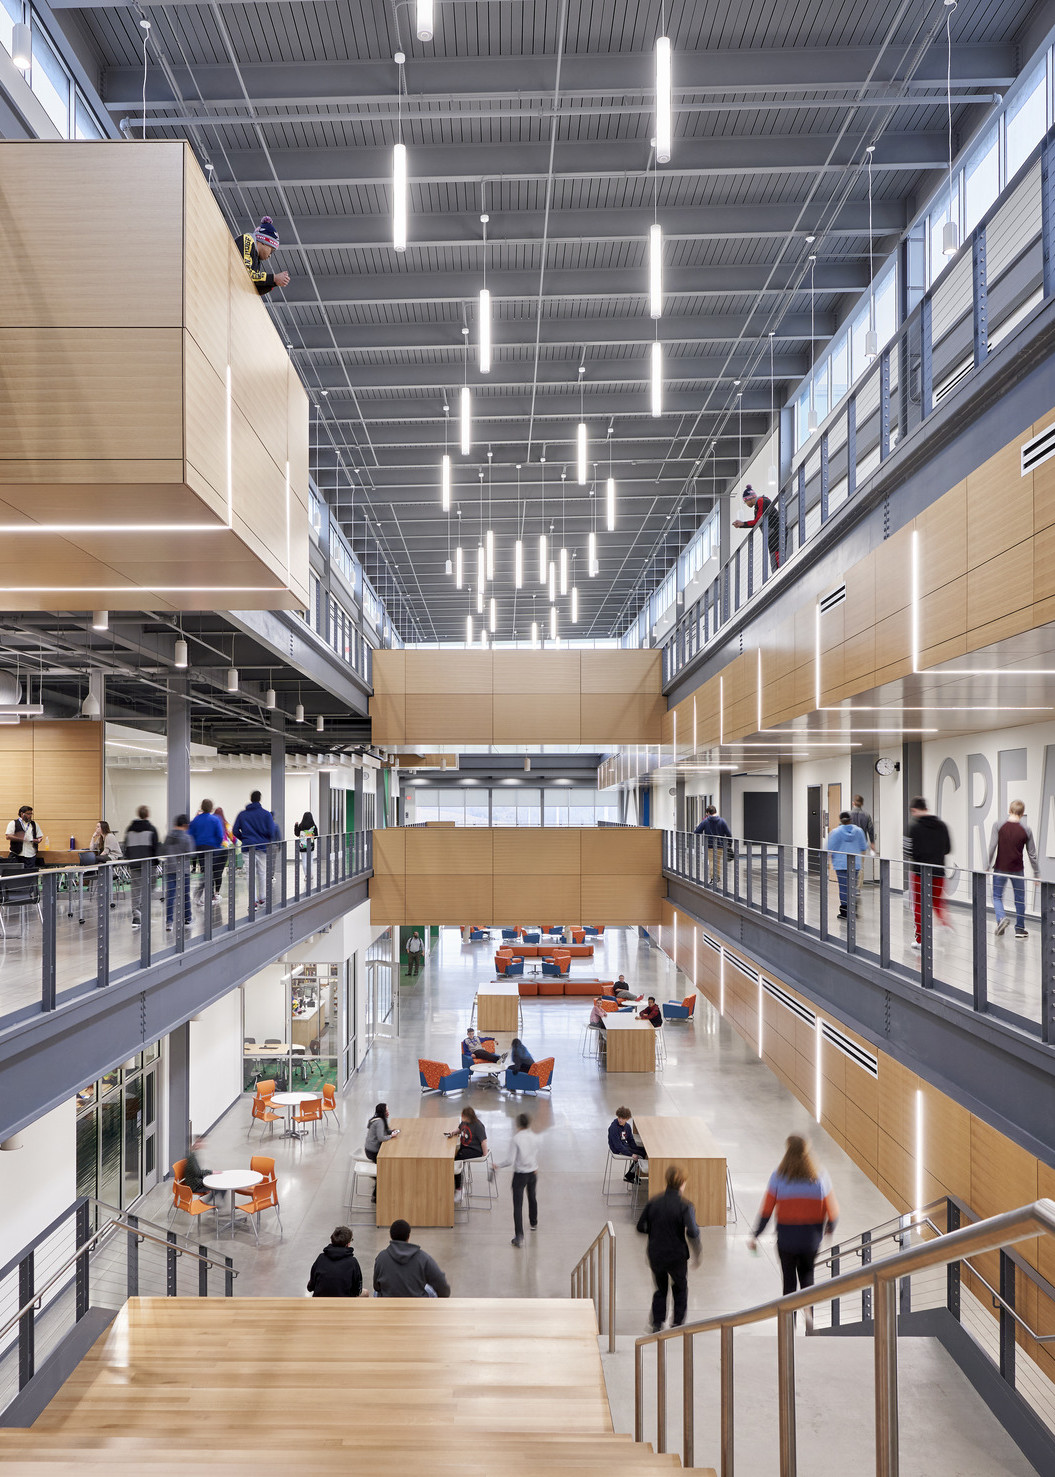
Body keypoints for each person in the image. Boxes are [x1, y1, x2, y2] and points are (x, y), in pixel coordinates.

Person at [748, 1135, 838, 1314]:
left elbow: (766, 1211)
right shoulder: (820, 1177)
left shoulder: (778, 1177)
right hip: (810, 1240)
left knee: (789, 1284)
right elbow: (833, 1211)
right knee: (807, 1277)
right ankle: (809, 1313)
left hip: (787, 1240)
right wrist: (829, 1228)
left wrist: (756, 1234)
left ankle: (789, 1323)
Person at [636, 1166, 702, 1332]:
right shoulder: (685, 1206)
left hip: (656, 1253)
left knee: (660, 1288)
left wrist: (655, 1231)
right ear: (682, 1183)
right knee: (680, 1288)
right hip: (676, 1255)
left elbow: (640, 1226)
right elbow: (693, 1231)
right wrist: (697, 1253)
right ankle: (677, 1324)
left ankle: (657, 1323)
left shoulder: (653, 1202)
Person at [988, 799, 1041, 939]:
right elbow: (1032, 854)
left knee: (997, 896)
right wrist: (1036, 873)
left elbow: (992, 847)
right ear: (1022, 814)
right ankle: (1019, 929)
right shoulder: (1026, 830)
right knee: (1019, 899)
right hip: (1018, 869)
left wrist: (987, 865)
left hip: (1000, 867)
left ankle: (1001, 919)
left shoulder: (998, 825)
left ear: (1009, 811)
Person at [905, 797, 952, 950]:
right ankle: (945, 924)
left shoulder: (913, 827)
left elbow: (907, 851)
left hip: (919, 872)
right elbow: (948, 849)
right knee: (937, 902)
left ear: (914, 810)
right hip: (939, 871)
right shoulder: (942, 825)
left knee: (918, 905)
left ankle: (920, 939)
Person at [372, 1220, 450, 1298]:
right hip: (417, 1305)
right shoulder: (423, 1257)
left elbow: (376, 1286)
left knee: (375, 1293)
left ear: (391, 1236)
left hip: (388, 1304)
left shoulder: (381, 1257)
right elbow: (443, 1287)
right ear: (408, 1236)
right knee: (429, 1289)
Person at [232, 791, 280, 907]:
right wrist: (266, 840)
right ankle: (262, 898)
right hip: (263, 848)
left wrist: (244, 838)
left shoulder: (242, 815)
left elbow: (234, 831)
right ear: (260, 799)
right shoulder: (266, 814)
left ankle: (252, 901)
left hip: (248, 848)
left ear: (251, 799)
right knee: (262, 873)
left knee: (250, 874)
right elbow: (271, 831)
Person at [503, 1112, 539, 1247]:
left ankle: (519, 1236)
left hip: (520, 1175)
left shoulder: (516, 1138)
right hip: (533, 1172)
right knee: (532, 1197)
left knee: (518, 1206)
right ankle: (534, 1222)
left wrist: (498, 1165)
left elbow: (510, 1160)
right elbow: (535, 1154)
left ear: (518, 1124)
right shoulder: (535, 1137)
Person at [826, 812, 869, 919]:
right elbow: (863, 847)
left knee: (843, 888)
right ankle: (854, 911)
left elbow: (828, 849)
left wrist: (828, 861)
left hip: (840, 865)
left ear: (840, 820)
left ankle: (845, 912)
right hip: (855, 864)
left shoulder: (835, 832)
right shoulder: (859, 831)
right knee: (853, 887)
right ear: (851, 819)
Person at [123, 805, 160, 929]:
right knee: (150, 887)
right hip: (149, 865)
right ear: (147, 814)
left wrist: (130, 860)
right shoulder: (152, 829)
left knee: (135, 890)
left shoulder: (130, 829)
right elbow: (156, 848)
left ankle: (136, 916)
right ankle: (143, 911)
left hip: (134, 864)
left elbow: (126, 847)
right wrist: (157, 862)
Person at [732, 484, 781, 573]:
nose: (746, 504)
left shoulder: (761, 501)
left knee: (777, 559)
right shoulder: (761, 503)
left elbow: (758, 521)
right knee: (774, 559)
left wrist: (742, 524)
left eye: (745, 502)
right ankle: (777, 574)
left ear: (748, 499)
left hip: (775, 533)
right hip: (772, 534)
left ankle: (779, 574)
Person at [237, 216, 290, 296]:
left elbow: (255, 288)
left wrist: (275, 282)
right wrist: (274, 278)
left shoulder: (256, 259)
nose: (270, 256)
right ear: (264, 242)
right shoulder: (247, 239)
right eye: (271, 251)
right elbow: (247, 275)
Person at [188, 799, 226, 908]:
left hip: (200, 849)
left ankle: (201, 895)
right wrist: (216, 846)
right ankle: (204, 896)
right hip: (212, 849)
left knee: (205, 871)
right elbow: (220, 835)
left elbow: (190, 834)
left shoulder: (196, 820)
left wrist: (195, 846)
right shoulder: (215, 819)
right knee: (211, 873)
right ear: (211, 808)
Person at [307, 1226, 363, 1297]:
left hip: (320, 1304)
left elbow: (310, 1287)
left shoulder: (321, 1258)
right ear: (348, 1244)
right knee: (365, 1293)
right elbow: (357, 1290)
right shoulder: (353, 1262)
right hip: (343, 1304)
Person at [447, 1106, 487, 1201]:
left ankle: (459, 1190)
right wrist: (453, 1132)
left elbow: (484, 1141)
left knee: (456, 1162)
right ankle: (456, 1183)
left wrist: (485, 1154)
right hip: (465, 1148)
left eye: (463, 1116)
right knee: (455, 1155)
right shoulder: (465, 1122)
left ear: (468, 1117)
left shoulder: (478, 1126)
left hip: (475, 1150)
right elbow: (460, 1129)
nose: (461, 1117)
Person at [162, 815, 194, 933]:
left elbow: (164, 850)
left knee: (170, 895)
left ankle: (169, 922)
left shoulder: (168, 836)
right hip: (183, 870)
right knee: (185, 894)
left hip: (170, 869)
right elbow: (191, 853)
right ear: (185, 825)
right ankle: (188, 918)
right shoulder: (186, 837)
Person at [694, 805, 731, 885]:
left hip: (710, 845)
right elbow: (728, 833)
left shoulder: (706, 821)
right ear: (715, 811)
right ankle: (717, 877)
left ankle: (713, 878)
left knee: (711, 861)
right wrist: (729, 843)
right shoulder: (722, 821)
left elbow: (697, 831)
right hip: (720, 845)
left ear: (708, 813)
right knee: (717, 861)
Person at [609, 1106, 645, 1183]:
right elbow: (617, 1145)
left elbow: (630, 1140)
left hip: (624, 1145)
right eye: (619, 1117)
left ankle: (630, 1175)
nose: (620, 1120)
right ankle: (629, 1176)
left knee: (644, 1151)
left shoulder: (627, 1126)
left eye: (623, 1118)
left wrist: (635, 1149)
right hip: (617, 1149)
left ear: (627, 1118)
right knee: (641, 1156)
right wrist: (631, 1154)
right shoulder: (613, 1128)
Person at [6, 804, 44, 870]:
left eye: (31, 814)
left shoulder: (34, 824)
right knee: (16, 876)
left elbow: (40, 837)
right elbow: (8, 836)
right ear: (22, 814)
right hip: (17, 854)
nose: (30, 816)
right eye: (28, 814)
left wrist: (38, 840)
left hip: (31, 855)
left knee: (30, 877)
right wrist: (22, 838)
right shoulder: (13, 823)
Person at [182, 1136, 217, 1202]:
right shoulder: (191, 1158)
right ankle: (206, 1203)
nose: (203, 1144)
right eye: (200, 1142)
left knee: (217, 1183)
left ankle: (208, 1204)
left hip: (196, 1181)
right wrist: (210, 1172)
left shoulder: (193, 1155)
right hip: (195, 1185)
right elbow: (197, 1172)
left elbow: (197, 1172)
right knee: (218, 1186)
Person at [293, 810, 318, 883]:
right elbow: (316, 836)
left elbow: (297, 834)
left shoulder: (301, 826)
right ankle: (310, 875)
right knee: (310, 860)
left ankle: (306, 875)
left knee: (304, 861)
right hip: (311, 846)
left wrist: (296, 826)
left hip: (302, 845)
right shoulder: (313, 826)